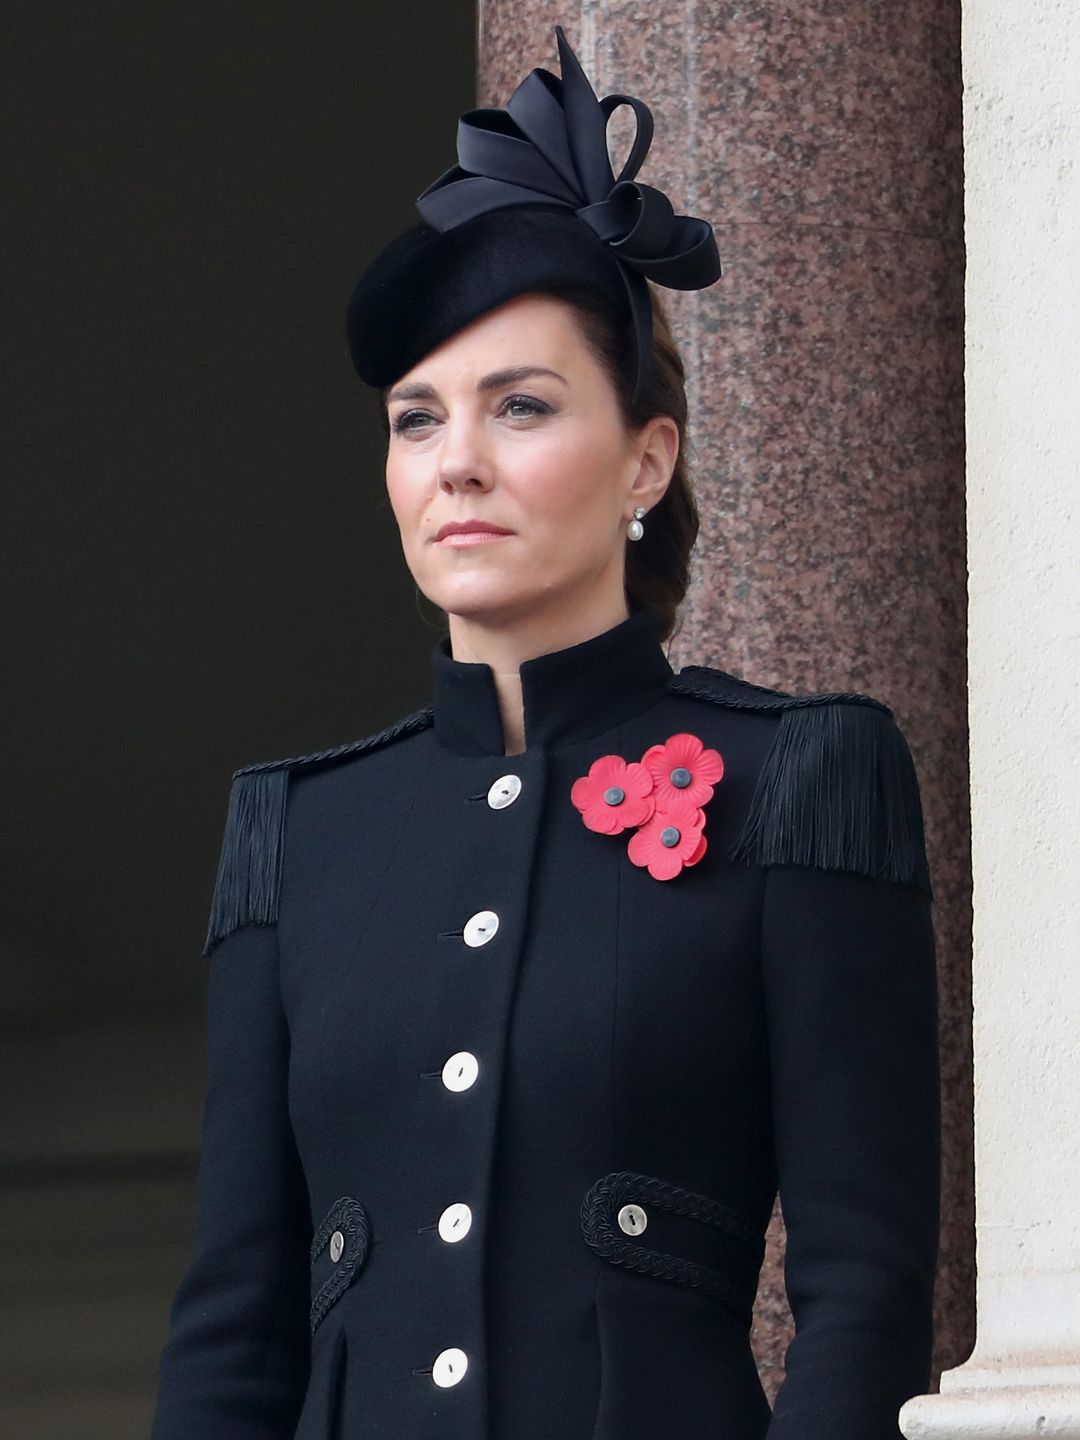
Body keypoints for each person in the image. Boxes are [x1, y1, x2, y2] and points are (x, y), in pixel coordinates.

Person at [150, 26, 940, 1440]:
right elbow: (234, 1333)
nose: (455, 459)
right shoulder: (301, 833)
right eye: (414, 419)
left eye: (520, 407)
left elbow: (864, 1292)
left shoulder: (803, 778)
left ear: (646, 458)